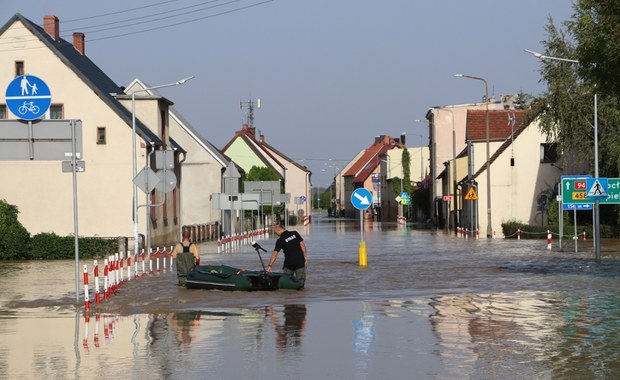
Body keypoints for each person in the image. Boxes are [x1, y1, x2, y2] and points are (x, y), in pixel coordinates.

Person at [267, 224, 307, 288]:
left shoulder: (280, 240)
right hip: (300, 261)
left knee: (287, 283)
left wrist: (270, 265)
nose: (276, 234)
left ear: (279, 229)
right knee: (300, 283)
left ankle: (288, 297)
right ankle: (300, 296)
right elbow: (302, 245)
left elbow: (275, 253)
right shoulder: (295, 233)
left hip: (288, 264)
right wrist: (305, 257)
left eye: (275, 232)